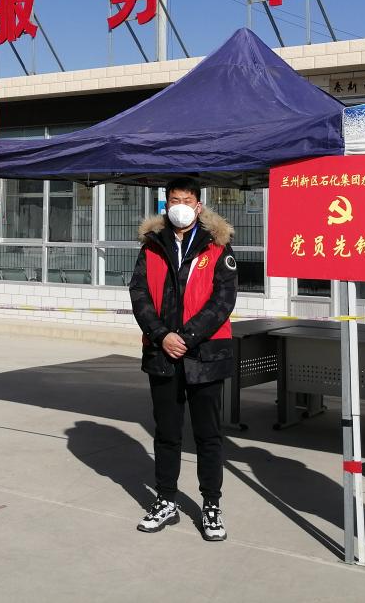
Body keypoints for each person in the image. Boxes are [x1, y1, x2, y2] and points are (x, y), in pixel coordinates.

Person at [128, 177, 238, 541]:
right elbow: (139, 294)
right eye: (174, 200)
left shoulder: (217, 246)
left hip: (205, 355)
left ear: (198, 206)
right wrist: (163, 335)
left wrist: (187, 338)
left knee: (208, 435)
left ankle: (211, 505)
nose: (180, 206)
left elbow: (223, 300)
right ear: (166, 204)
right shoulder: (152, 247)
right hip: (162, 355)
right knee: (167, 433)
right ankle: (165, 500)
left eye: (187, 200)